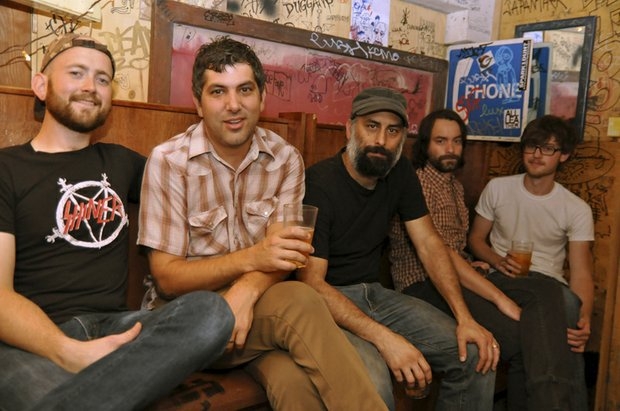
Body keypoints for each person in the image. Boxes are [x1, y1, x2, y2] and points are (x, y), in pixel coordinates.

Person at [137, 36, 386, 410]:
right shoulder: (169, 161)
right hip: (182, 321)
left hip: (256, 317)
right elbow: (167, 278)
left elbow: (285, 256)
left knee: (295, 386)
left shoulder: (285, 159)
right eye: (218, 91)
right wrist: (251, 260)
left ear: (262, 97)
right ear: (198, 103)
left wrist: (245, 293)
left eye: (245, 90)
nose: (233, 105)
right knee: (301, 300)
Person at [0, 33, 236, 411]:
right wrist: (66, 351)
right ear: (41, 86)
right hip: (31, 341)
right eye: (76, 73)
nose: (90, 87)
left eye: (103, 79)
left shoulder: (123, 162)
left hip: (118, 331)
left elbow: (202, 192)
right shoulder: (6, 168)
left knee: (211, 314)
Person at [297, 87, 499, 411]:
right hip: (327, 303)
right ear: (349, 129)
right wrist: (385, 339)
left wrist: (465, 318)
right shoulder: (319, 183)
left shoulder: (400, 171)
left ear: (403, 138)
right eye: (371, 126)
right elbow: (312, 284)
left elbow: (429, 244)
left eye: (393, 131)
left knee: (474, 352)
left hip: (376, 295)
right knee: (375, 385)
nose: (381, 140)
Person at [389, 109, 588, 410]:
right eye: (441, 141)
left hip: (459, 276)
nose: (450, 149)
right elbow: (441, 254)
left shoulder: (452, 185)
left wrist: (476, 263)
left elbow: (458, 249)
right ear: (425, 144)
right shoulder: (420, 184)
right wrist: (499, 297)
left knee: (548, 294)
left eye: (457, 141)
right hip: (424, 284)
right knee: (524, 340)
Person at [468, 114, 593, 410]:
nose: (537, 155)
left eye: (548, 148)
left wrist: (585, 318)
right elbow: (475, 240)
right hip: (503, 278)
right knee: (561, 310)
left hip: (547, 282)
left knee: (566, 316)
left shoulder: (576, 208)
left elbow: (581, 272)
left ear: (564, 155)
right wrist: (498, 261)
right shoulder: (498, 188)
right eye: (532, 146)